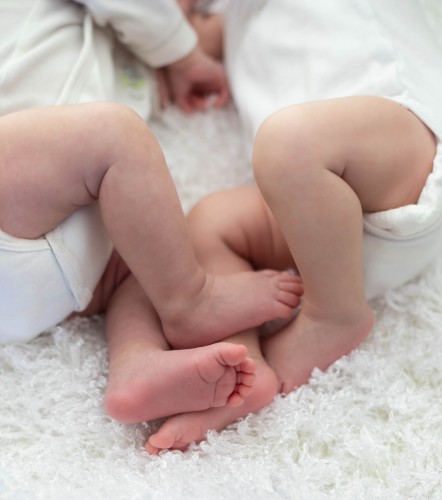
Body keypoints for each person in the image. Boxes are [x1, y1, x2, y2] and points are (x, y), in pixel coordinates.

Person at [145, 0, 442, 453]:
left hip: (405, 152)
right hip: (312, 221)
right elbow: (180, 38)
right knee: (209, 221)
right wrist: (177, 44)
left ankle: (334, 314)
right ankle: (245, 365)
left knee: (288, 143)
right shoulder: (230, 18)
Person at [0, 1, 304, 422]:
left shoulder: (127, 58)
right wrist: (184, 53)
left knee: (153, 248)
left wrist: (176, 60)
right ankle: (190, 301)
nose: (193, 16)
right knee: (115, 135)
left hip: (38, 276)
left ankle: (137, 364)